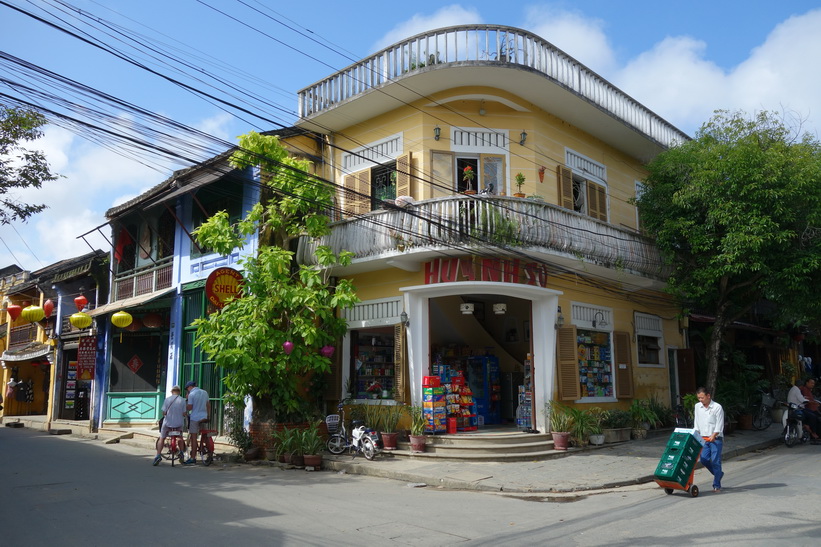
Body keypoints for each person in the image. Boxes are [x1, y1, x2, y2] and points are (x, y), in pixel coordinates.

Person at [693, 386, 725, 492]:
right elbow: (696, 422)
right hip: (703, 438)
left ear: (708, 396)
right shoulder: (697, 406)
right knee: (704, 459)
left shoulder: (717, 407)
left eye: (702, 398)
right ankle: (718, 474)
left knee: (716, 461)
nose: (700, 400)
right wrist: (695, 433)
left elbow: (720, 424)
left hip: (716, 439)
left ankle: (716, 485)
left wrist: (714, 435)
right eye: (699, 398)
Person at [153, 385, 187, 465]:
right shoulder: (182, 400)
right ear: (179, 392)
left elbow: (164, 412)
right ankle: (181, 452)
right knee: (180, 438)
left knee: (162, 438)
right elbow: (184, 413)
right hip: (178, 423)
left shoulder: (167, 400)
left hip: (167, 423)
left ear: (172, 392)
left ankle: (158, 455)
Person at [184, 380, 210, 464]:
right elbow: (208, 405)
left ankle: (193, 458)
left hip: (195, 418)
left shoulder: (191, 394)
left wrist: (185, 407)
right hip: (204, 417)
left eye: (187, 389)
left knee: (193, 438)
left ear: (189, 387)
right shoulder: (205, 392)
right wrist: (208, 416)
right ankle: (209, 454)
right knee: (205, 435)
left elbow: (190, 407)